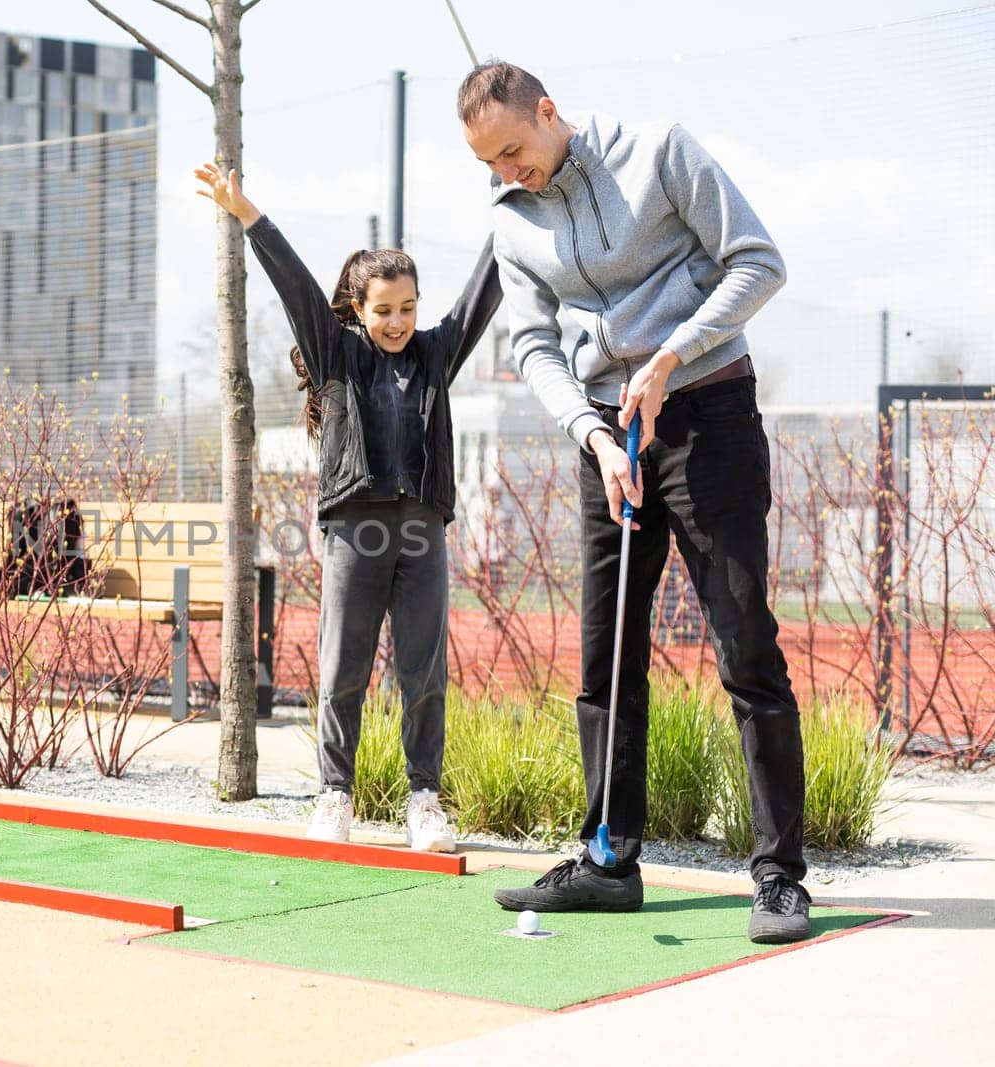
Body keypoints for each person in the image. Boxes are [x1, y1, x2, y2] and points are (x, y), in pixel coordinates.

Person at [458, 62, 810, 943]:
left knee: (743, 640)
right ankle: (609, 859)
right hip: (607, 438)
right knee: (605, 652)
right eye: (490, 163)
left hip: (706, 417)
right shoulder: (512, 220)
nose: (509, 172)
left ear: (549, 112)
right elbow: (535, 341)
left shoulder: (660, 154)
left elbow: (757, 262)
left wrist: (670, 357)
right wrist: (587, 430)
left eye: (515, 150)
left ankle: (779, 877)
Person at [195, 162, 501, 851]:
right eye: (383, 310)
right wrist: (248, 213)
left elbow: (486, 290)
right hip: (355, 530)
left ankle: (426, 797)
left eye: (408, 308)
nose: (397, 321)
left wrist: (513, 210)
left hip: (421, 531)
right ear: (359, 310)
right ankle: (335, 793)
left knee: (423, 669)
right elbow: (295, 282)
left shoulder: (436, 356)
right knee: (343, 669)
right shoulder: (336, 353)